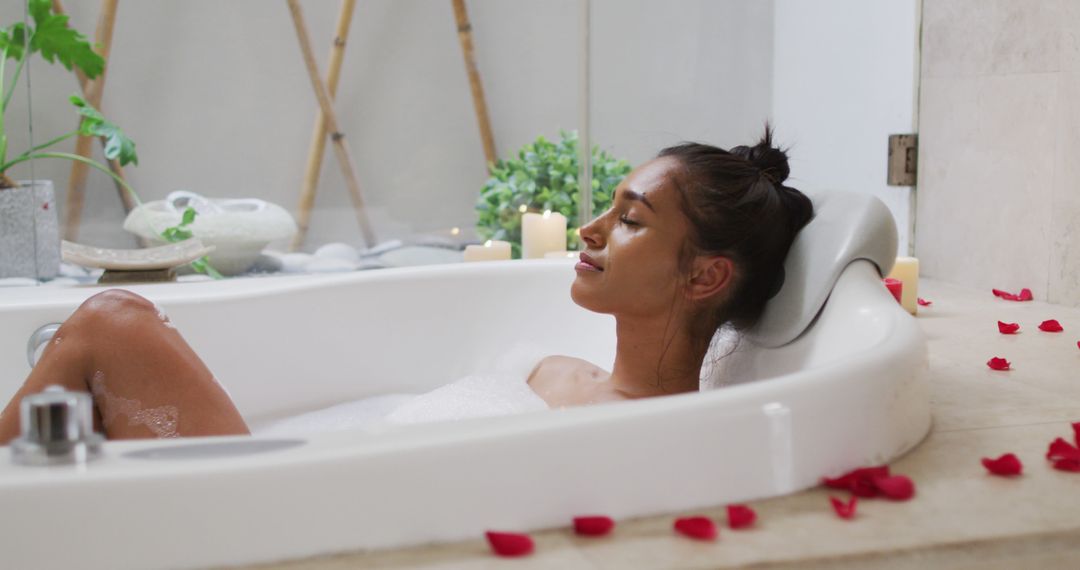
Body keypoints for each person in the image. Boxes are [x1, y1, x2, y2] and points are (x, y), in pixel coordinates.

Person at [0, 127, 813, 443]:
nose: (592, 230)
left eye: (631, 221)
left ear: (706, 276)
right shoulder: (549, 372)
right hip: (298, 472)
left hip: (290, 510)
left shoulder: (656, 439)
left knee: (112, 321)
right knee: (125, 315)